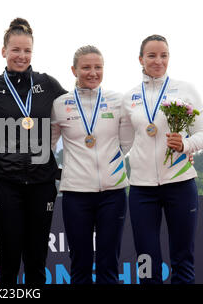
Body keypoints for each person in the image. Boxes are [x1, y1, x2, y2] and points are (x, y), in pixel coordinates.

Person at [0, 18, 67, 284]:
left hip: (41, 183)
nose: (21, 56)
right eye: (16, 50)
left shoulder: (47, 84)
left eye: (27, 51)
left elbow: (77, 115)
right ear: (4, 51)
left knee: (37, 262)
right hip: (4, 184)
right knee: (8, 262)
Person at [123, 34, 203, 284]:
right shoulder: (129, 97)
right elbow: (124, 143)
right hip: (141, 188)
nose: (158, 61)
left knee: (183, 260)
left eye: (164, 55)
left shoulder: (186, 89)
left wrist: (185, 145)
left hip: (181, 184)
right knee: (147, 262)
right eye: (151, 55)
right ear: (141, 59)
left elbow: (202, 134)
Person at [51, 45, 131, 284]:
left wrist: (112, 166)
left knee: (109, 264)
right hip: (76, 194)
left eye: (98, 67)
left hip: (113, 193)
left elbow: (126, 143)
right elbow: (48, 146)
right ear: (74, 70)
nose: (92, 72)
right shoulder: (60, 104)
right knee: (80, 264)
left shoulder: (118, 101)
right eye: (86, 67)